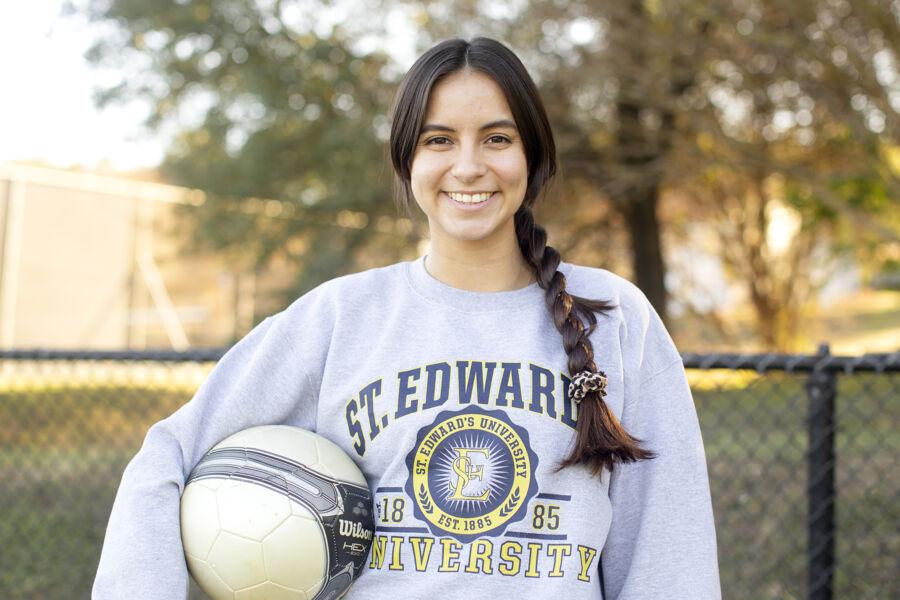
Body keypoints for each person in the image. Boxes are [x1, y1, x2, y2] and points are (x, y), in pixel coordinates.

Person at [93, 37, 720, 599]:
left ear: (532, 157)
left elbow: (667, 553)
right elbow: (168, 455)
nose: (468, 166)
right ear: (407, 162)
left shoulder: (613, 318)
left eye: (497, 139)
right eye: (438, 140)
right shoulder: (340, 318)